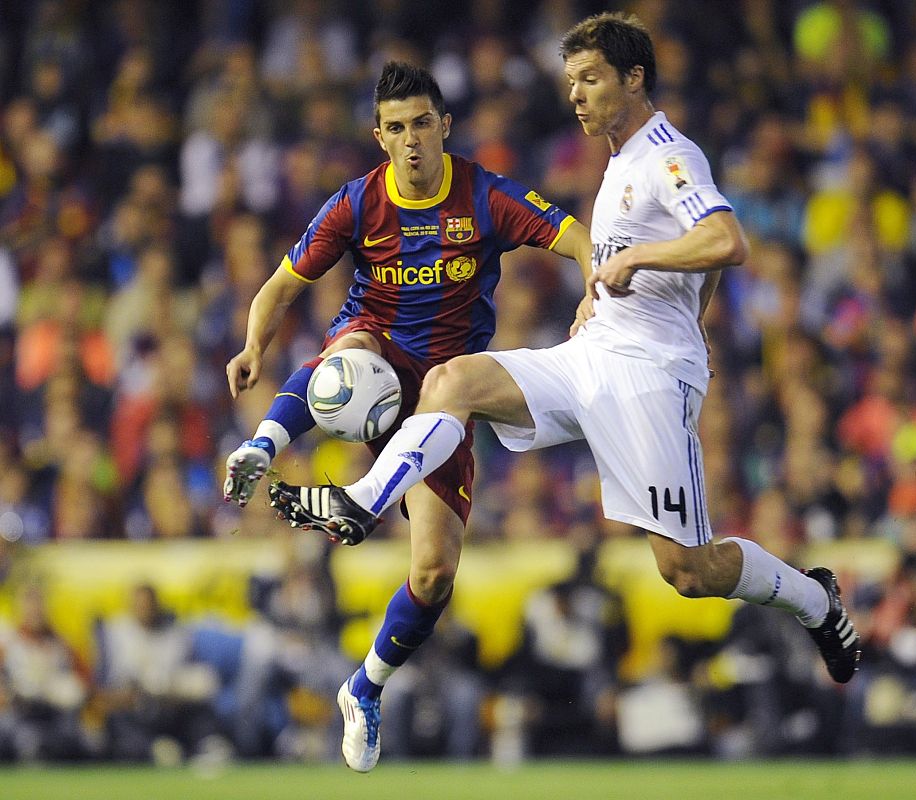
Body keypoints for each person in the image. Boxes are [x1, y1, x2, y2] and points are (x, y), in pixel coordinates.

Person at [271, 13, 861, 771]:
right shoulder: (617, 162)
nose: (575, 95)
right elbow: (694, 265)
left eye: (589, 79)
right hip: (593, 356)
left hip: (648, 379)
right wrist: (643, 298)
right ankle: (362, 502)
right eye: (571, 81)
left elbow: (726, 241)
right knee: (453, 380)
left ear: (633, 79)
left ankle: (815, 601)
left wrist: (642, 270)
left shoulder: (668, 155)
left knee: (687, 571)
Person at [221, 61, 591, 770]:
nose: (412, 139)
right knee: (352, 352)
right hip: (378, 359)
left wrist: (591, 291)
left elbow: (576, 235)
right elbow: (278, 287)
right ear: (380, 137)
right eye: (397, 127)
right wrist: (251, 347)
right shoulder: (359, 203)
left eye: (423, 123)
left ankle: (364, 687)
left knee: (434, 575)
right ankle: (264, 446)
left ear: (445, 126)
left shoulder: (484, 196)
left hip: (445, 396)